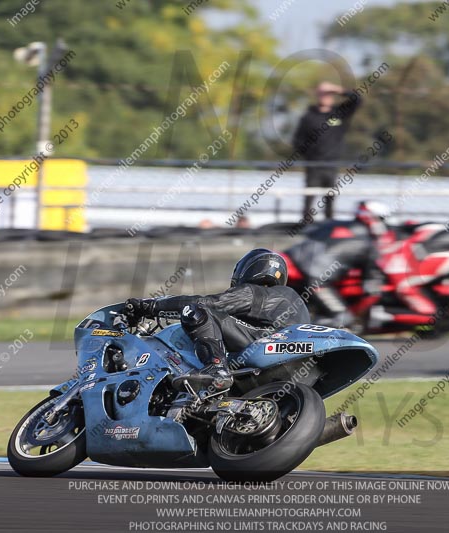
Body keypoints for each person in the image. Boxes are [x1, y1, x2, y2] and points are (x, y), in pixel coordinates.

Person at [124, 249, 310, 390]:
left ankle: (216, 368)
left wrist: (151, 306)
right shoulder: (292, 300)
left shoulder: (258, 292)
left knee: (196, 310)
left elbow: (210, 303)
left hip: (267, 343)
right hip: (296, 367)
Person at [285, 201, 394, 326]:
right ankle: (305, 332)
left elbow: (308, 232)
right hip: (316, 279)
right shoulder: (369, 242)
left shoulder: (333, 224)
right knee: (342, 318)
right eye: (382, 219)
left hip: (293, 262)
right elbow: (372, 283)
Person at [292, 81, 361, 220]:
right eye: (323, 94)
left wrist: (337, 89)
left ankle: (328, 227)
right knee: (309, 199)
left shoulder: (339, 113)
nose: (326, 97)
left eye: (329, 94)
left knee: (330, 199)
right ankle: (305, 227)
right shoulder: (308, 117)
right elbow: (297, 140)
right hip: (313, 165)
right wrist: (310, 155)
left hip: (332, 164)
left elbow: (357, 99)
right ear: (318, 95)